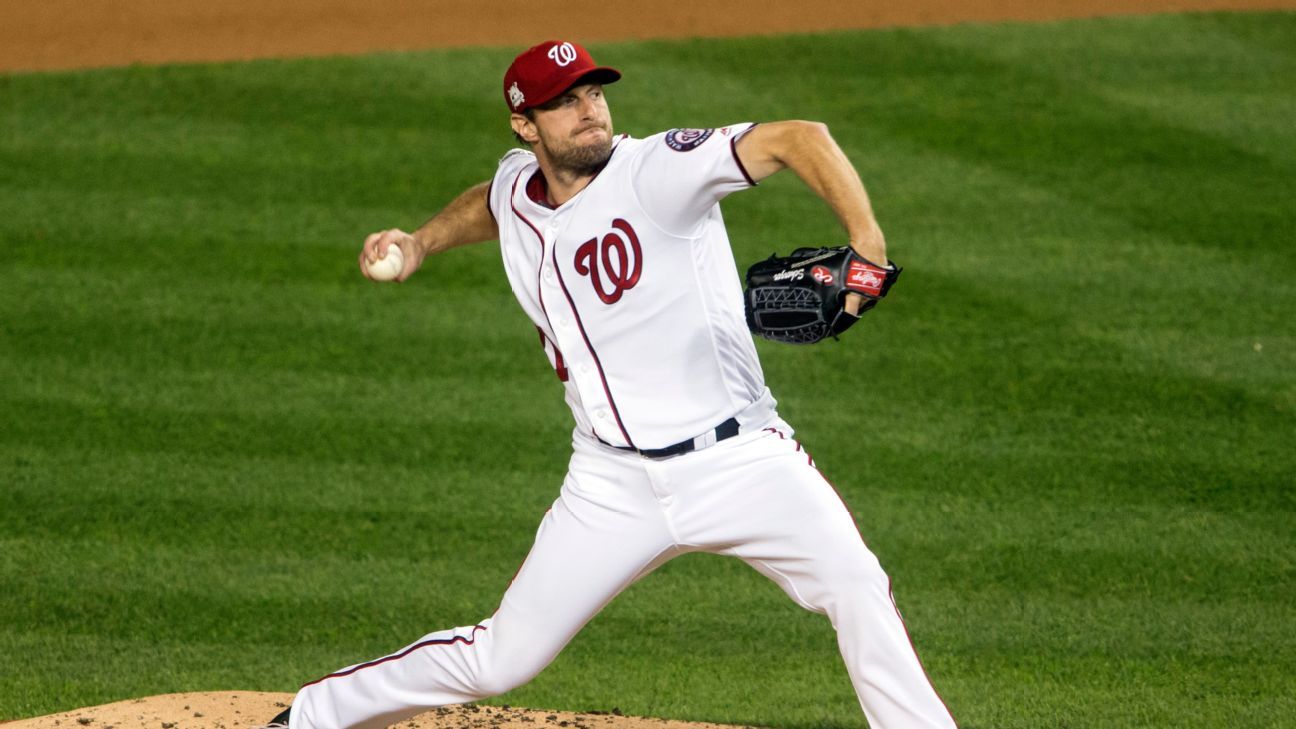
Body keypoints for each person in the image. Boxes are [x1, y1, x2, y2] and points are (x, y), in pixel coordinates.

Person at [268, 39, 957, 729]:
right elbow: (495, 201)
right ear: (525, 125)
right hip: (609, 483)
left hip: (740, 459)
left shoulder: (659, 170)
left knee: (856, 583)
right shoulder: (520, 187)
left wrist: (866, 239)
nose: (589, 110)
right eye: (564, 101)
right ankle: (312, 716)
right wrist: (420, 240)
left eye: (593, 92)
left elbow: (798, 138)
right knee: (500, 659)